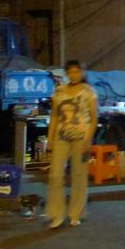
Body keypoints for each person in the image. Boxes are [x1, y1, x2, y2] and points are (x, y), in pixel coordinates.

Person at [47, 59, 99, 228]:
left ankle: (76, 213)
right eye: (71, 72)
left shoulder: (88, 91)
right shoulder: (59, 91)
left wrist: (88, 139)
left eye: (77, 71)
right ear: (67, 73)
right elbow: (54, 116)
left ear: (82, 73)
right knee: (55, 175)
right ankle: (57, 214)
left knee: (79, 175)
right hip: (61, 136)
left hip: (81, 137)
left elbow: (94, 118)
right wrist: (50, 138)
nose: (74, 75)